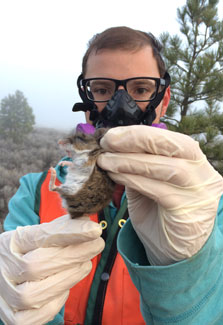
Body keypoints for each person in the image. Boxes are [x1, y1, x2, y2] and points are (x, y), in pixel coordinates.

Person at [0, 26, 223, 325]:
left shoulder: (206, 202)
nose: (121, 106)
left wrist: (184, 270)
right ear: (87, 96)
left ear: (164, 98)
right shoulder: (38, 190)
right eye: (103, 90)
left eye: (141, 90)